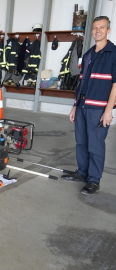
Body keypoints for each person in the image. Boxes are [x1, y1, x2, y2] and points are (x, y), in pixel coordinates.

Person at [62, 16, 116, 195]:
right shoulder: (88, 54)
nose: (98, 30)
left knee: (95, 144)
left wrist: (108, 110)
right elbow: (82, 82)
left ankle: (94, 180)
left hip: (99, 108)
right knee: (81, 143)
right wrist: (75, 106)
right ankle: (83, 172)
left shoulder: (113, 53)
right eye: (95, 28)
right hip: (83, 106)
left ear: (108, 30)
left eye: (102, 27)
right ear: (91, 31)